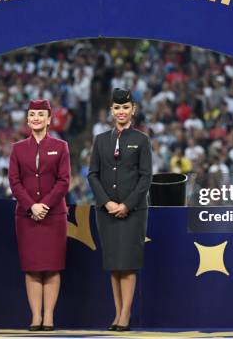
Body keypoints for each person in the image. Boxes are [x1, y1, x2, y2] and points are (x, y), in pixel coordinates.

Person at [88, 88, 152, 332]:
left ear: (133, 109)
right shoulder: (100, 140)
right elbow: (93, 175)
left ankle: (125, 316)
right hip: (106, 212)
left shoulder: (142, 140)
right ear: (111, 111)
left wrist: (126, 204)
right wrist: (107, 203)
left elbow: (146, 178)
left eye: (125, 107)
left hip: (133, 212)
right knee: (113, 264)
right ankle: (117, 314)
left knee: (127, 263)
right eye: (117, 108)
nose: (121, 112)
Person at [8, 99, 70, 331]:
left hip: (53, 215)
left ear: (48, 118)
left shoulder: (61, 146)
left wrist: (43, 205)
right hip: (26, 216)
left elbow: (64, 181)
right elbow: (14, 181)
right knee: (32, 267)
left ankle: (49, 317)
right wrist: (30, 206)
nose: (36, 118)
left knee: (52, 267)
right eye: (32, 114)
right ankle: (35, 317)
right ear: (27, 118)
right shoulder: (17, 148)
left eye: (40, 114)